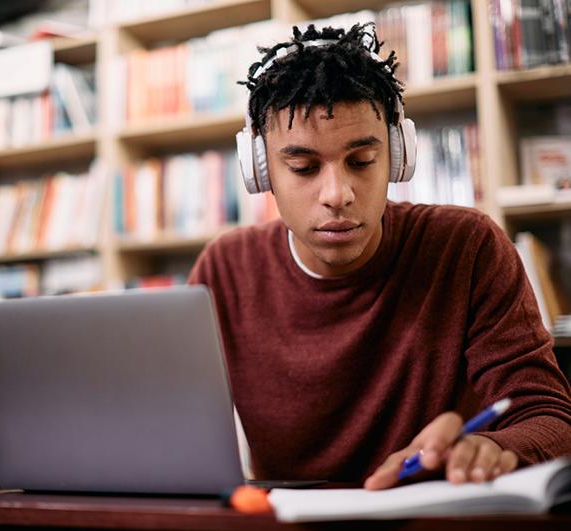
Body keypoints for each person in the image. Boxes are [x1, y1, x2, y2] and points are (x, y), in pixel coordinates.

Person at [187, 23, 571, 489]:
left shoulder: (466, 248)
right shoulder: (225, 271)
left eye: (361, 161)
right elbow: (172, 428)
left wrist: (494, 447)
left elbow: (549, 416)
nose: (338, 194)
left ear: (397, 156)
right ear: (260, 171)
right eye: (304, 168)